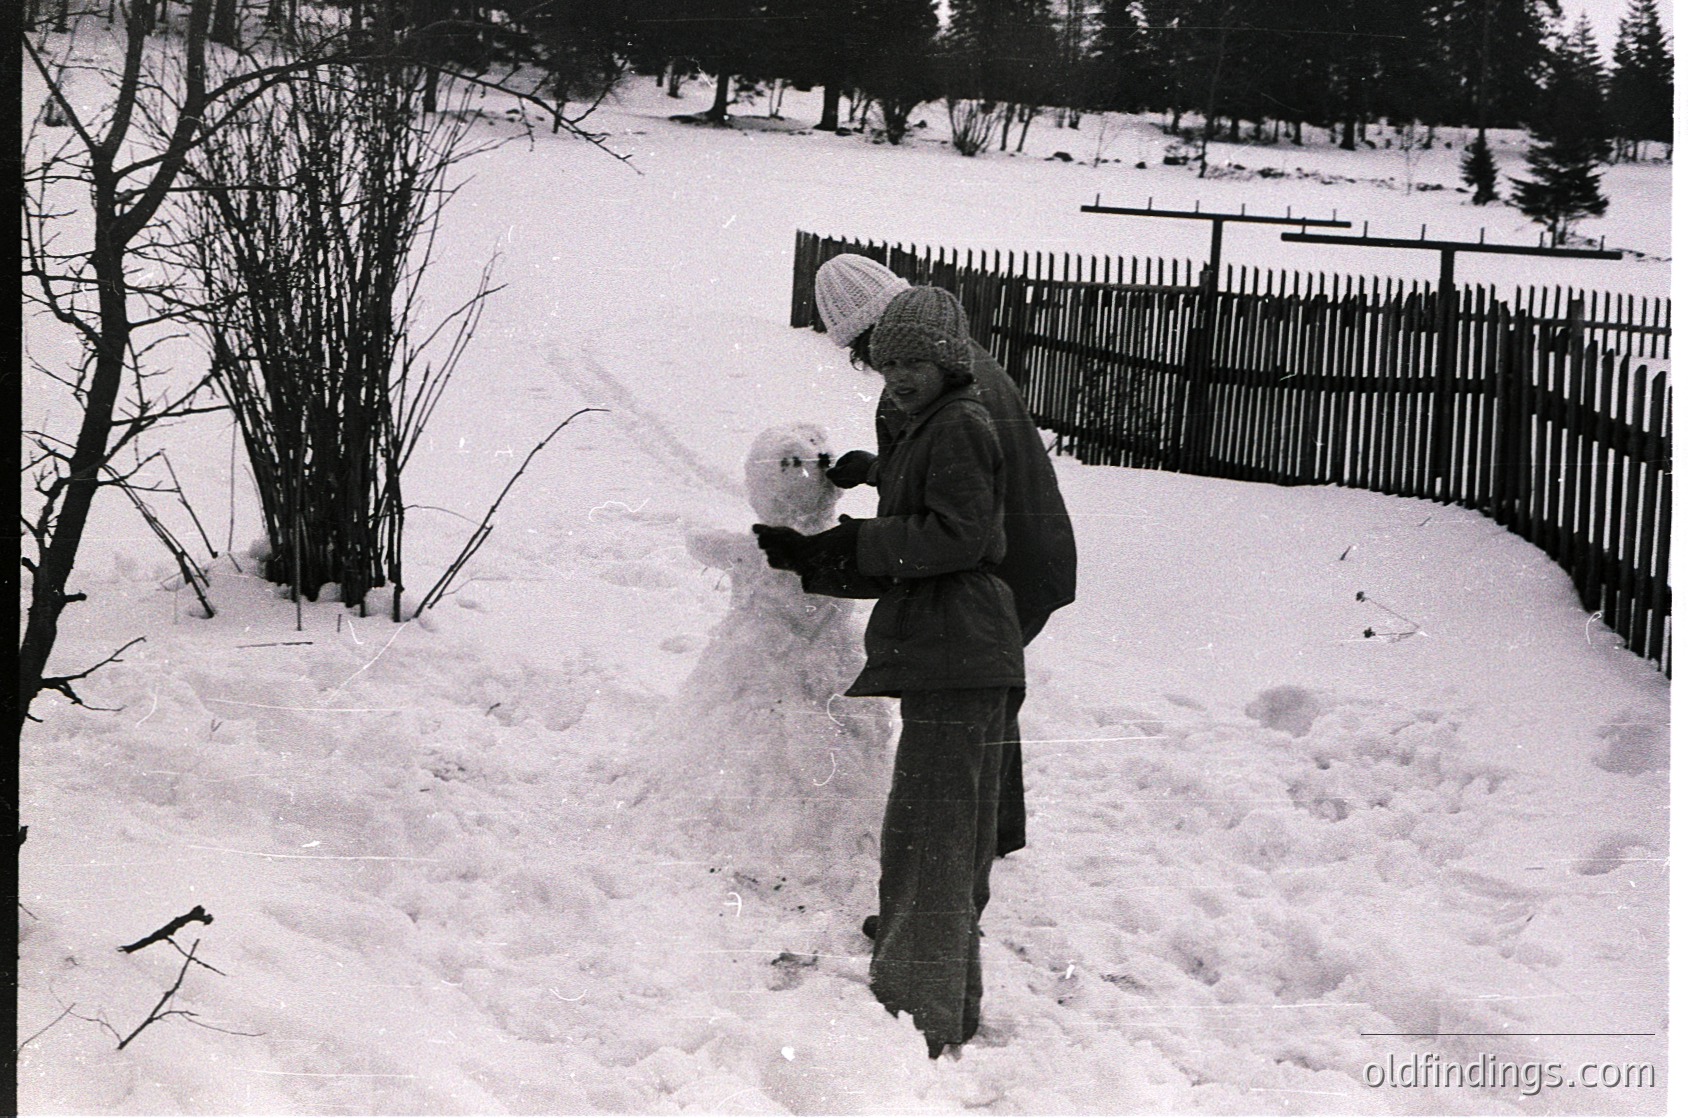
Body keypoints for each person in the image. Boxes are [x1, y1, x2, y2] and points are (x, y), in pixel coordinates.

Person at [753, 286, 1022, 1059]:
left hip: (962, 650)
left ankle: (919, 1017)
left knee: (928, 837)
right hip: (963, 648)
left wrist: (847, 545)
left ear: (949, 362)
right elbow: (923, 540)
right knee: (944, 835)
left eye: (917, 363)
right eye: (889, 362)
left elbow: (954, 538)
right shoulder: (937, 421)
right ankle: (938, 995)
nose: (899, 376)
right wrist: (823, 556)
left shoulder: (961, 424)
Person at [812, 253, 1077, 859]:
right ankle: (995, 837)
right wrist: (878, 469)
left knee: (951, 723)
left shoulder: (907, 399)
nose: (881, 367)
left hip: (994, 571)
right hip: (1038, 555)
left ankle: (952, 870)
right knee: (987, 698)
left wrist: (852, 549)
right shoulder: (963, 361)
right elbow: (956, 472)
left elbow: (930, 525)